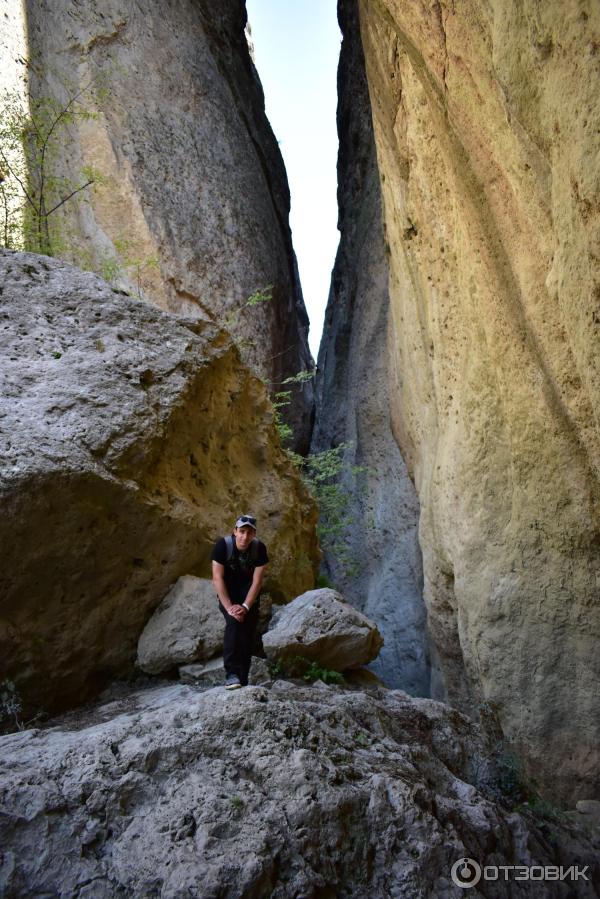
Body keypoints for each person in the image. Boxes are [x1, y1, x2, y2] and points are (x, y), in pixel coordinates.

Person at [211, 514, 268, 689]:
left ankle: (242, 679)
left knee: (248, 632)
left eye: (249, 533)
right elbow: (217, 577)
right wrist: (229, 608)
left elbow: (258, 581)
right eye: (241, 531)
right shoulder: (223, 546)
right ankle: (231, 674)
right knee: (234, 624)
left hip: (249, 595)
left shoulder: (259, 549)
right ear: (235, 531)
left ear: (254, 534)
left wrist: (245, 606)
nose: (245, 536)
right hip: (228, 592)